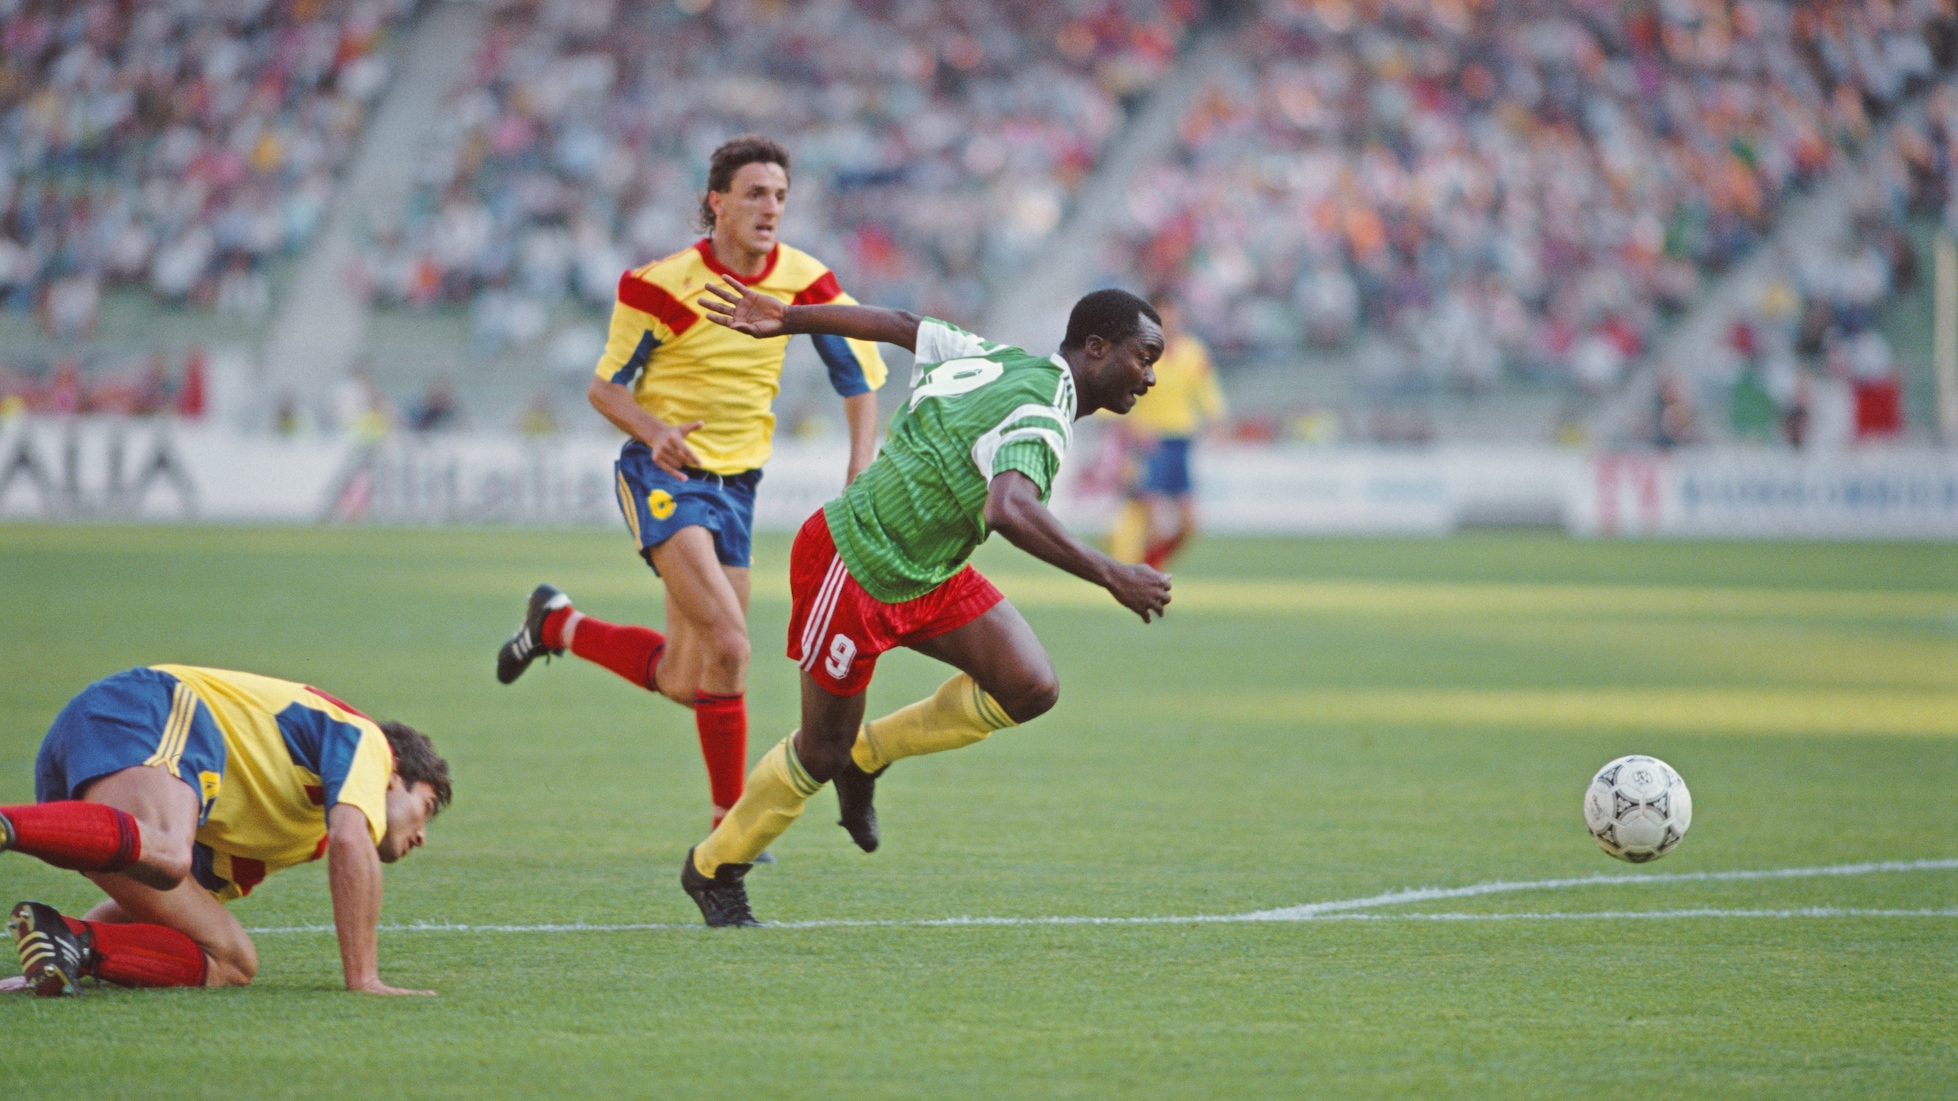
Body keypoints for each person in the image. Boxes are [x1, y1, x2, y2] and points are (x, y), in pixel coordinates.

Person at [673, 281, 1171, 926]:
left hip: (928, 571)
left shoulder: (994, 357)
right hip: (853, 565)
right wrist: (1112, 574)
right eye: (1145, 357)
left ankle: (869, 755)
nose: (1151, 376)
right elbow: (1010, 509)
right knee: (820, 751)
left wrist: (793, 318)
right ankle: (714, 868)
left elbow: (902, 324)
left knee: (1028, 685)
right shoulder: (1041, 413)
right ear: (1098, 349)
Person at [496, 136, 887, 843]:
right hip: (664, 475)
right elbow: (604, 388)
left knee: (687, 677)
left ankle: (556, 624)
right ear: (717, 201)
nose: (771, 208)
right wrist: (655, 431)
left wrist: (859, 467)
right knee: (733, 647)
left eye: (780, 196)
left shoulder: (806, 282)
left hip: (738, 489)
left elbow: (858, 381)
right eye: (756, 194)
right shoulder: (657, 284)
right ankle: (731, 830)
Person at [1, 665, 450, 997]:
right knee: (169, 851)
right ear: (393, 776)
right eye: (426, 807)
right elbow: (352, 840)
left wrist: (73, 945)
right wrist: (365, 980)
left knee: (232, 959)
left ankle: (72, 943)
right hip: (147, 706)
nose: (423, 836)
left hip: (100, 804)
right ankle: (10, 822)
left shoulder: (303, 838)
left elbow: (173, 898)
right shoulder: (370, 742)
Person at [1106, 300, 1224, 570]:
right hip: (1149, 443)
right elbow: (1113, 395)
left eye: (1174, 316)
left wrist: (1216, 421)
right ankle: (1138, 571)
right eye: (1164, 318)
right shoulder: (1137, 352)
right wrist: (1133, 424)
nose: (1171, 323)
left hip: (1180, 441)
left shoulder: (1194, 352)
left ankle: (1149, 567)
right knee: (1152, 518)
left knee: (1189, 523)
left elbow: (1207, 391)